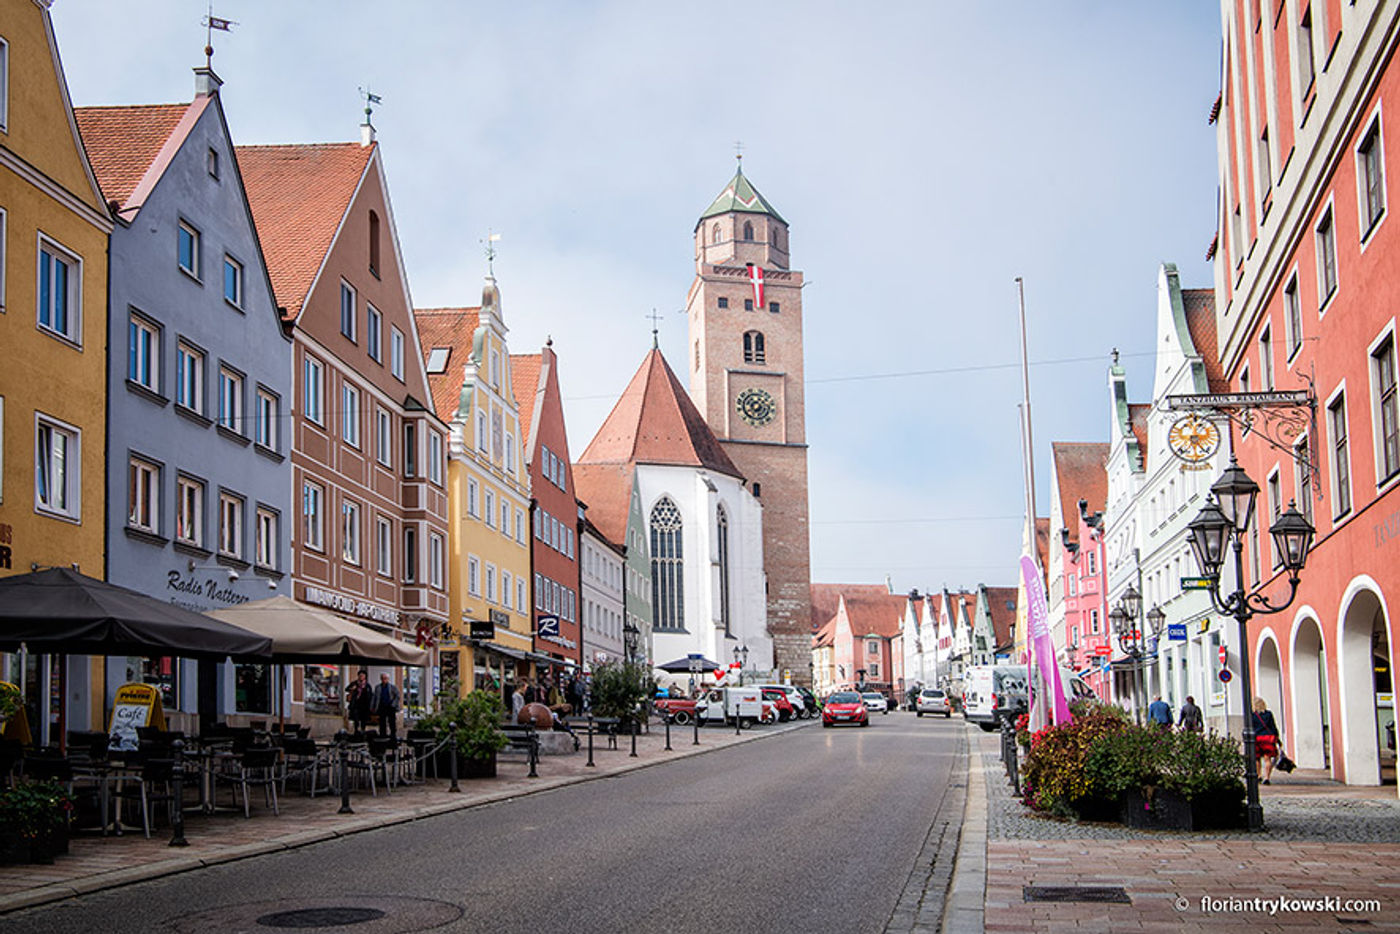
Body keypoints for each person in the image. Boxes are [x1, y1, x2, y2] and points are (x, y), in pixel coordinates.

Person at [1252, 697, 1282, 784]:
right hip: (1268, 739)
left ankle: (1258, 775)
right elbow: (1273, 726)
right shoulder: (1268, 714)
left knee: (1257, 759)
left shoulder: (1253, 715)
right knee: (1267, 759)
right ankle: (1267, 778)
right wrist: (1277, 738)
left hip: (1257, 739)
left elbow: (1251, 727)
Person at [371, 672, 401, 742]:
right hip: (382, 706)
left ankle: (393, 735)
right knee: (382, 722)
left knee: (392, 722)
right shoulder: (378, 687)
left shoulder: (392, 687)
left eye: (385, 678)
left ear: (388, 679)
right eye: (382, 678)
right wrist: (372, 707)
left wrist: (393, 704)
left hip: (390, 706)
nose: (384, 680)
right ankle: (383, 735)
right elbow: (374, 697)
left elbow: (397, 696)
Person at [347, 669, 373, 735]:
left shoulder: (367, 685)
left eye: (362, 676)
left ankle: (363, 730)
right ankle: (356, 730)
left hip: (364, 705)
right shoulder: (354, 683)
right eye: (360, 675)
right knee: (356, 718)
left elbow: (370, 695)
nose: (361, 677)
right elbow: (347, 689)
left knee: (363, 719)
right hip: (356, 704)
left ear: (365, 677)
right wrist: (352, 689)